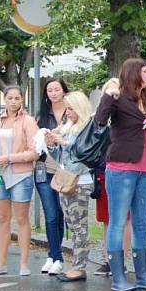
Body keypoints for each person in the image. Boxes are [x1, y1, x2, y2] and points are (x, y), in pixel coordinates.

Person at [95, 58, 146, 291]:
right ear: (134, 73)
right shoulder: (119, 98)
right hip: (122, 167)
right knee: (117, 222)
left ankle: (142, 276)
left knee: (140, 224)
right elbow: (100, 120)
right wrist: (108, 94)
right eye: (145, 71)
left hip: (145, 170)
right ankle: (118, 278)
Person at [0, 85, 39, 276]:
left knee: (22, 218)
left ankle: (24, 263)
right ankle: (1, 262)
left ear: (22, 100)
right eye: (10, 98)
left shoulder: (28, 121)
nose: (13, 102)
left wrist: (10, 158)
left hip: (20, 175)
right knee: (1, 218)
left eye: (17, 98)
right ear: (5, 100)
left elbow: (35, 151)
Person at [46, 91, 94, 281]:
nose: (68, 112)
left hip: (80, 182)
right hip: (66, 179)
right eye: (67, 108)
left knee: (79, 226)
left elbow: (83, 156)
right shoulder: (69, 126)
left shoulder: (88, 127)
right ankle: (76, 264)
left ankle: (80, 266)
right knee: (73, 225)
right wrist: (52, 145)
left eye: (71, 108)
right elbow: (62, 159)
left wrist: (63, 143)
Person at [92, 77, 132, 276]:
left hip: (122, 169)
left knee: (124, 218)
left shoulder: (125, 115)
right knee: (107, 219)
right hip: (102, 170)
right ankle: (108, 257)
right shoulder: (99, 117)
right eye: (109, 92)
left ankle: (121, 259)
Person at [36, 78, 69, 276]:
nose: (54, 93)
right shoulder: (41, 116)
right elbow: (34, 146)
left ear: (64, 91)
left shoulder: (71, 113)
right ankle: (56, 257)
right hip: (44, 169)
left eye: (57, 89)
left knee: (60, 213)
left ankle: (54, 252)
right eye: (50, 90)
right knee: (50, 214)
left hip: (66, 170)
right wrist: (45, 143)